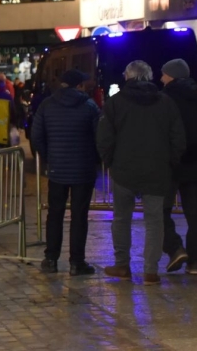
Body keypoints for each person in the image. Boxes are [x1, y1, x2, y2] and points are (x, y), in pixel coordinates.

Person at [97, 60, 185, 285]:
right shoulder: (165, 102)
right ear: (149, 77)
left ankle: (122, 265)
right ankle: (150, 271)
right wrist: (169, 163)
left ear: (128, 77)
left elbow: (105, 137)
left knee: (121, 218)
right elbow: (178, 138)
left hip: (124, 171)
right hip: (157, 171)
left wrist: (111, 163)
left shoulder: (115, 103)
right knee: (155, 221)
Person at [31, 69, 100, 276]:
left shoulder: (47, 105)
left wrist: (49, 157)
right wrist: (95, 159)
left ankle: (51, 259)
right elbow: (99, 137)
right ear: (79, 85)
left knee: (55, 214)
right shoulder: (89, 106)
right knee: (79, 216)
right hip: (83, 170)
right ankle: (77, 263)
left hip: (57, 169)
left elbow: (36, 136)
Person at [159, 59, 197, 274]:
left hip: (169, 163)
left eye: (164, 74)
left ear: (172, 76)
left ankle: (175, 247)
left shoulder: (163, 101)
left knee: (159, 211)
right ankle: (195, 263)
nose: (161, 78)